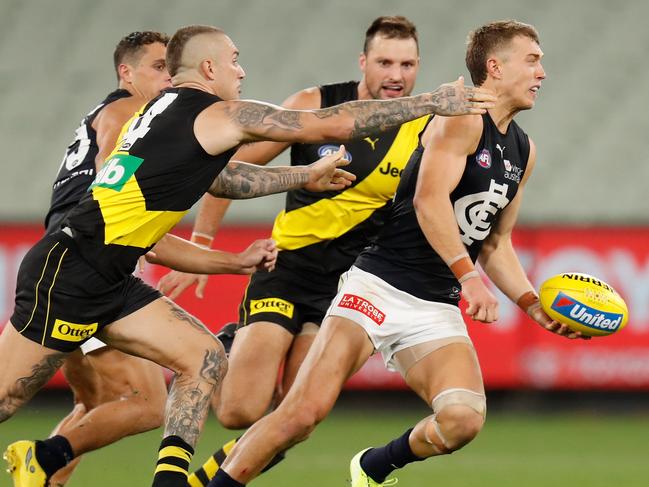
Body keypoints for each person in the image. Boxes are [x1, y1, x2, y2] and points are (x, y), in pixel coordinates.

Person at [0, 24, 495, 487]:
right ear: (210, 69)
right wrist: (433, 101)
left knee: (205, 357)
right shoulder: (214, 112)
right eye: (234, 61)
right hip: (69, 271)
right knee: (8, 398)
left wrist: (300, 177)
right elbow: (329, 124)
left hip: (112, 277)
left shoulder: (168, 112)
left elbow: (222, 179)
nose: (241, 70)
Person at [202, 20, 590, 487]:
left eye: (540, 62)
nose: (542, 72)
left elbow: (495, 242)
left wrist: (531, 304)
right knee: (299, 415)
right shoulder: (460, 118)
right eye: (532, 60)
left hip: (433, 304)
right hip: (378, 287)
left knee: (463, 418)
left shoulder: (522, 151)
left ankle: (373, 467)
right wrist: (469, 278)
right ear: (495, 67)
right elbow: (429, 202)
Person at [157, 16, 430, 487]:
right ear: (363, 62)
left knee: (296, 416)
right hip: (287, 268)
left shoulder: (425, 129)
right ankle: (229, 344)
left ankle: (207, 481)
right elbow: (228, 167)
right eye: (385, 61)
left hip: (351, 285)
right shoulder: (316, 105)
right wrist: (202, 240)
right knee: (240, 410)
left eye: (406, 64)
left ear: (418, 67)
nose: (395, 75)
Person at [4, 31, 278, 487]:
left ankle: (43, 462)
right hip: (79, 270)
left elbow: (212, 179)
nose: (168, 77)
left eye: (171, 67)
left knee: (106, 404)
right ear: (125, 73)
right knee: (144, 404)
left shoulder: (137, 118)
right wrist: (228, 259)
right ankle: (45, 457)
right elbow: (119, 195)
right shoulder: (130, 113)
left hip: (99, 271)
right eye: (156, 67)